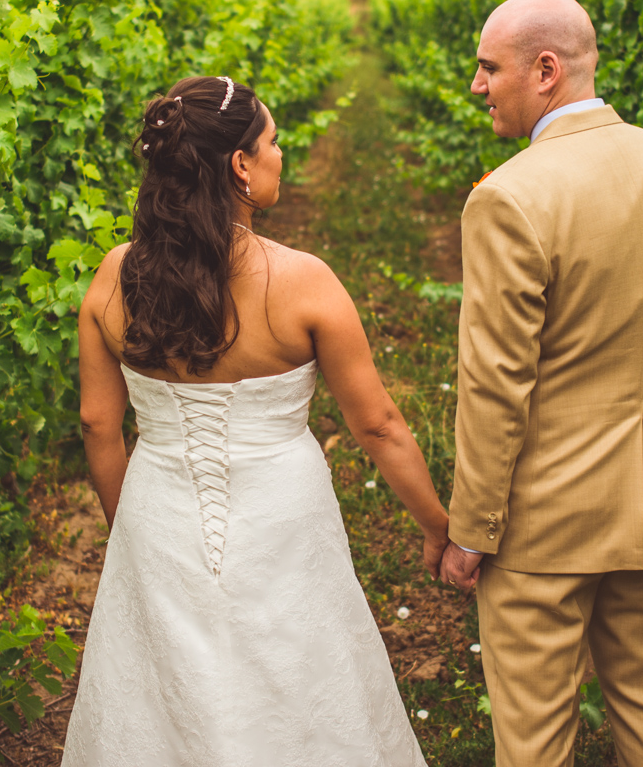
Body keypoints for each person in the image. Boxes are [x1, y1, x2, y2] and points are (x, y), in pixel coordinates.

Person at [61, 75, 446, 767]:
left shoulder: (114, 276)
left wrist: (136, 532)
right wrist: (438, 527)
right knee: (298, 671)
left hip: (157, 505)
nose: (280, 155)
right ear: (239, 165)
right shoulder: (304, 281)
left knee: (161, 696)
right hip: (282, 512)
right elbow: (379, 425)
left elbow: (98, 426)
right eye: (272, 142)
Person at [438, 0, 643, 767]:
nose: (477, 85)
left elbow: (496, 385)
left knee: (534, 740)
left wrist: (472, 528)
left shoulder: (509, 197)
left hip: (544, 523)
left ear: (547, 69)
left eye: (490, 67)